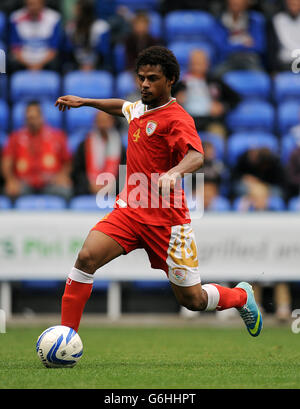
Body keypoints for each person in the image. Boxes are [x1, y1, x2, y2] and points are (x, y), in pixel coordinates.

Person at [55, 45, 262, 337]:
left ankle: (241, 297)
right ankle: (65, 337)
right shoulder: (139, 107)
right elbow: (122, 107)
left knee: (193, 300)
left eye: (152, 79)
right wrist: (86, 101)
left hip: (168, 223)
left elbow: (196, 155)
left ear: (171, 80)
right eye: (141, 78)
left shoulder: (177, 119)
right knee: (87, 257)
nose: (145, 84)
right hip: (129, 211)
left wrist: (174, 172)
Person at [2, 101, 72, 199]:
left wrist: (63, 175)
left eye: (34, 118)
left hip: (51, 182)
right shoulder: (15, 138)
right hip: (24, 184)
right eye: (28, 118)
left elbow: (68, 162)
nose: (31, 121)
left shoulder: (57, 136)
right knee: (10, 192)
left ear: (42, 117)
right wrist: (10, 180)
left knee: (65, 191)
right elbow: (6, 163)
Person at [182, 49, 240, 136]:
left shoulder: (215, 82)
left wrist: (222, 107)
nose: (197, 67)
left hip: (210, 121)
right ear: (189, 64)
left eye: (200, 63)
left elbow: (235, 98)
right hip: (187, 121)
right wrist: (176, 100)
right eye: (194, 63)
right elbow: (164, 102)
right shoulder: (181, 83)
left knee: (217, 131)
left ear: (207, 64)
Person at [72, 110, 122, 196]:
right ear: (95, 122)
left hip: (114, 191)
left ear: (112, 122)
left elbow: (124, 172)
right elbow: (77, 172)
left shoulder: (120, 147)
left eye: (105, 121)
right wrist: (90, 185)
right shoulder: (84, 145)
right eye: (100, 121)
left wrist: (111, 186)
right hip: (88, 190)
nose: (103, 124)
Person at [213, 0, 266, 77]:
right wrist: (244, 43)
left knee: (262, 79)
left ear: (246, 3)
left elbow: (259, 47)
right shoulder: (219, 21)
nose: (236, 2)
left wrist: (231, 43)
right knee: (215, 76)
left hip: (250, 59)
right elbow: (222, 48)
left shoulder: (255, 20)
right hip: (228, 60)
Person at [9, 0, 62, 72]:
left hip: (46, 60)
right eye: (30, 4)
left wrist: (39, 65)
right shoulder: (15, 18)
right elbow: (15, 48)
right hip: (24, 60)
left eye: (35, 4)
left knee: (55, 64)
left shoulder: (54, 18)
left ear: (43, 4)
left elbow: (53, 49)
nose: (32, 7)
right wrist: (29, 65)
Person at [64, 0, 111, 71]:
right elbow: (68, 49)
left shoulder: (101, 26)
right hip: (76, 64)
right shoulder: (71, 27)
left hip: (98, 65)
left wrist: (91, 65)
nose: (73, 12)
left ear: (84, 12)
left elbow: (103, 51)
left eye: (77, 10)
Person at [267, 0, 300, 73]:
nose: (294, 4)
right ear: (286, 2)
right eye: (291, 2)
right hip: (285, 63)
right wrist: (273, 70)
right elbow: (271, 47)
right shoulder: (277, 20)